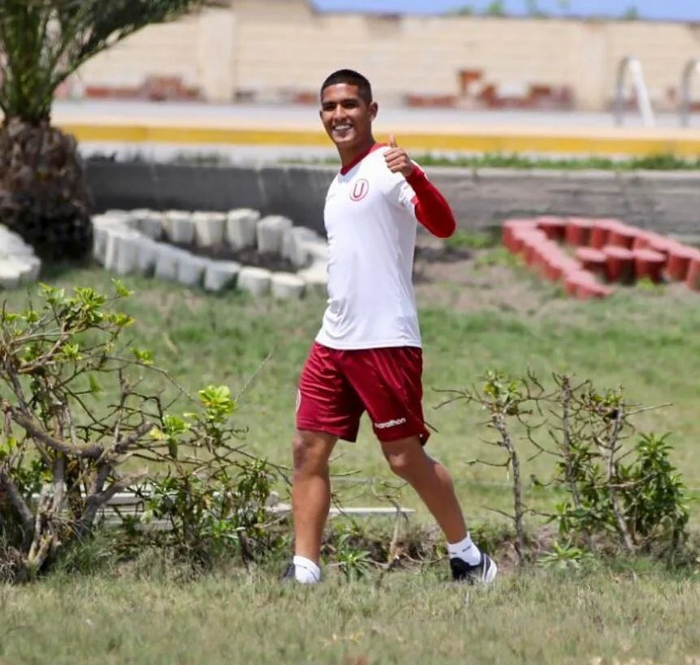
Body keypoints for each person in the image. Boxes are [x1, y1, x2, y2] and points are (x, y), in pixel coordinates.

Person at [284, 69, 497, 586]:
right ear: (321, 115)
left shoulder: (389, 165)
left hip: (385, 341)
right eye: (330, 106)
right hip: (333, 340)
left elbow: (444, 225)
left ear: (371, 111)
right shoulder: (339, 183)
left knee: (403, 458)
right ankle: (304, 570)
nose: (340, 115)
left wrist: (416, 176)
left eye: (350, 105)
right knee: (307, 450)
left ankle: (469, 558)